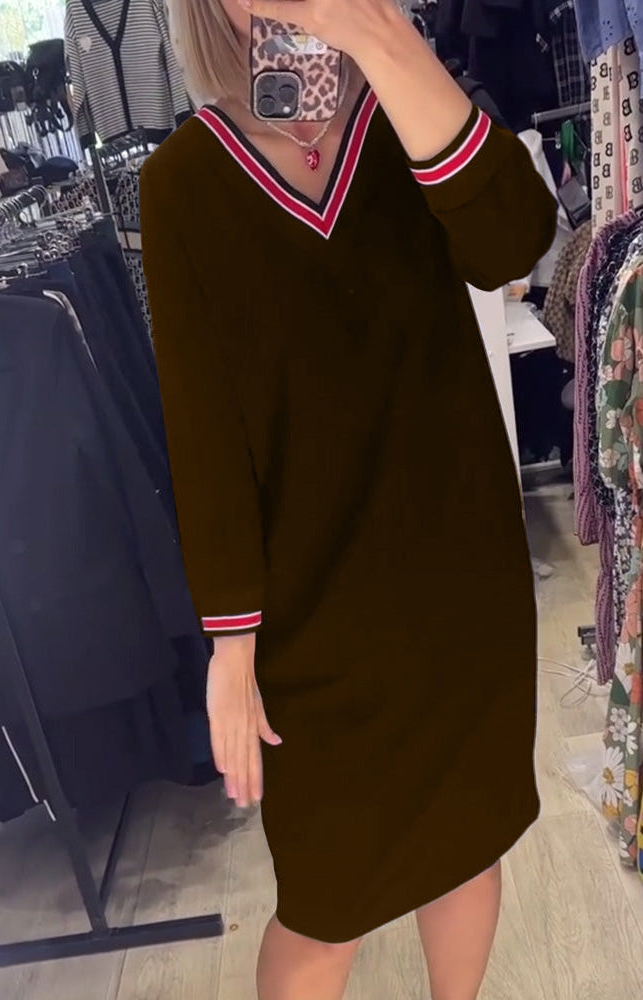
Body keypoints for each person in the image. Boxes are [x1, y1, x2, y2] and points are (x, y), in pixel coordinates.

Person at [139, 1, 557, 997]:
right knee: (324, 907)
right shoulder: (184, 184)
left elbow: (514, 242)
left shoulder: (416, 114)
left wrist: (381, 37)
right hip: (311, 624)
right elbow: (204, 434)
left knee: (466, 844)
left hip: (462, 589)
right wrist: (230, 644)